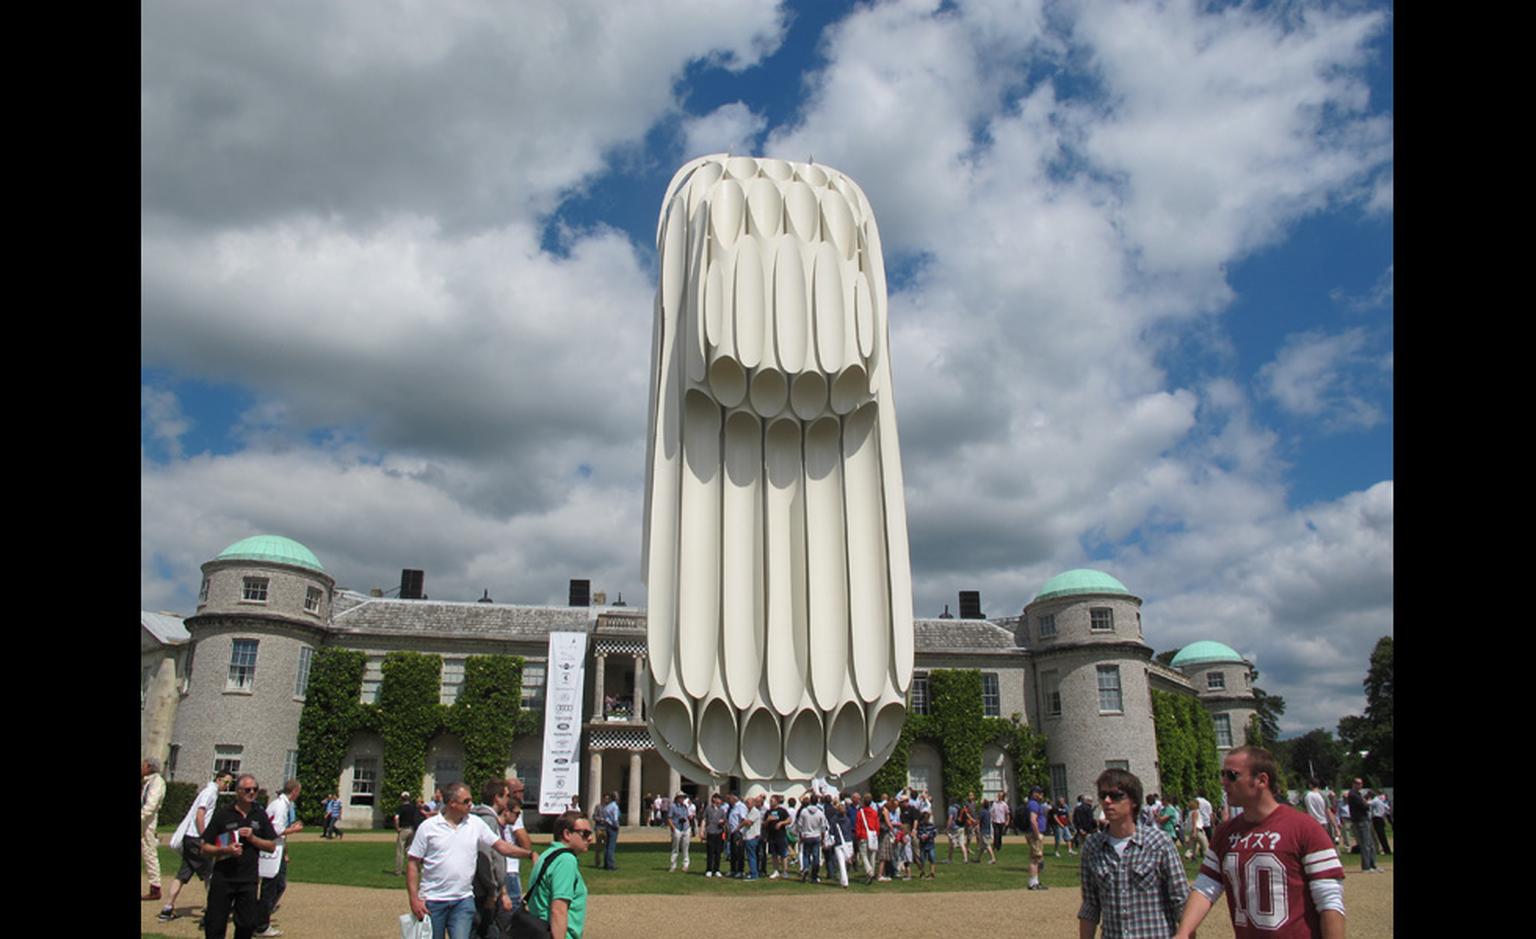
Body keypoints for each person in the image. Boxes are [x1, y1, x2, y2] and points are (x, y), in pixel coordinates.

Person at [1173, 746, 1345, 939]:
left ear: (1262, 780)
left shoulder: (1305, 828)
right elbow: (1206, 886)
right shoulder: (1225, 833)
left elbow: (1329, 901)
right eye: (1222, 774)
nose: (1223, 782)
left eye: (1231, 775)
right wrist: (1183, 932)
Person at [405, 781, 534, 939]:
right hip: (433, 900)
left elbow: (501, 846)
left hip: (462, 901)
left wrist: (528, 854)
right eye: (466, 801)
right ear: (452, 803)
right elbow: (413, 863)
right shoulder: (428, 827)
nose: (470, 804)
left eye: (470, 800)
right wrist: (414, 899)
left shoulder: (475, 824)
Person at [1078, 768, 1189, 939]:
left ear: (1134, 801)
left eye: (1115, 796)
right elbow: (1090, 906)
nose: (1107, 801)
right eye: (1103, 795)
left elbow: (1180, 900)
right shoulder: (1092, 847)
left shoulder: (1159, 843)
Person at [201, 773, 280, 939]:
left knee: (246, 925)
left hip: (248, 879)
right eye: (247, 790)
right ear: (237, 791)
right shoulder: (223, 814)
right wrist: (225, 850)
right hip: (223, 878)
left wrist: (253, 838)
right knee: (215, 924)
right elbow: (204, 847)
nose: (251, 793)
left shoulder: (260, 815)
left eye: (255, 790)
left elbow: (272, 846)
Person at [160, 770, 233, 923]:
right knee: (211, 874)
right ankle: (214, 910)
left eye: (229, 783)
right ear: (218, 780)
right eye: (226, 782)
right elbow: (200, 814)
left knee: (183, 874)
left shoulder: (210, 792)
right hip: (195, 839)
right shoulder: (210, 793)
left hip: (190, 839)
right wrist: (204, 837)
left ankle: (167, 909)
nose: (227, 786)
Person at [524, 811, 592, 939]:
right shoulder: (566, 860)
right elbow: (558, 910)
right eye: (585, 833)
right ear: (567, 834)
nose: (590, 838)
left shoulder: (546, 855)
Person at [254, 779, 303, 938]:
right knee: (272, 886)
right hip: (272, 850)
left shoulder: (280, 803)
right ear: (294, 791)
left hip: (277, 849)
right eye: (298, 791)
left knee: (278, 885)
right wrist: (294, 829)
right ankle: (261, 924)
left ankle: (261, 917)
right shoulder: (281, 805)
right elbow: (276, 830)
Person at [142, 757, 168, 901]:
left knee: (149, 852)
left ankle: (155, 888)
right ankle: (154, 887)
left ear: (149, 767)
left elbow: (151, 805)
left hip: (148, 822)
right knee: (148, 852)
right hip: (145, 820)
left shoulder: (157, 782)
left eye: (143, 765)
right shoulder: (149, 781)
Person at [1345, 778, 1378, 872]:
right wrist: (1367, 803)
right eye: (1358, 783)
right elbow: (1363, 806)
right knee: (1365, 844)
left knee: (1370, 843)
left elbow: (1365, 804)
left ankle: (1373, 865)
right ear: (1353, 784)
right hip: (1360, 820)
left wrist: (1366, 802)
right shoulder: (1352, 794)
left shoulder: (1358, 794)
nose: (1360, 785)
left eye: (1361, 783)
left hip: (1365, 819)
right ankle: (1366, 866)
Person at [795, 793, 827, 883]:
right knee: (816, 856)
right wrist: (823, 838)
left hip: (806, 836)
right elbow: (823, 827)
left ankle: (805, 868)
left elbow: (799, 825)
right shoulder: (820, 813)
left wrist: (800, 836)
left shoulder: (804, 811)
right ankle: (814, 875)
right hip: (816, 836)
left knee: (806, 855)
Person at [1025, 785, 1049, 890]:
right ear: (1034, 793)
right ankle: (1032, 883)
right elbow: (1033, 820)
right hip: (1035, 834)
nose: (1041, 795)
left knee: (1037, 858)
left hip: (1035, 833)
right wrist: (1037, 834)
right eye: (1039, 793)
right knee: (1035, 858)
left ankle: (1035, 881)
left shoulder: (1034, 804)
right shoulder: (1033, 804)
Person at [396, 791, 424, 876]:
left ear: (401, 798)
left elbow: (396, 818)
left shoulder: (401, 807)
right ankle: (417, 869)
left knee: (400, 851)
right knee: (411, 850)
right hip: (412, 829)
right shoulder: (413, 808)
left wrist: (397, 827)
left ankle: (398, 871)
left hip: (404, 829)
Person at [763, 793, 791, 879]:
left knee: (783, 854)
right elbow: (764, 824)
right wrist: (768, 820)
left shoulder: (782, 811)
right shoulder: (768, 812)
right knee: (773, 854)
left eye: (772, 801)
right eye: (770, 801)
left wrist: (781, 823)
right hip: (771, 836)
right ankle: (776, 870)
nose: (771, 802)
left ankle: (785, 871)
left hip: (781, 835)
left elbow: (789, 820)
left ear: (777, 801)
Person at [703, 792, 728, 877]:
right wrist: (702, 831)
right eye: (718, 799)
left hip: (719, 832)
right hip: (711, 832)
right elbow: (704, 819)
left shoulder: (722, 810)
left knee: (718, 852)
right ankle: (709, 869)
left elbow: (725, 820)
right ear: (714, 799)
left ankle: (717, 869)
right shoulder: (708, 809)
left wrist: (723, 822)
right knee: (710, 851)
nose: (719, 801)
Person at [667, 792, 692, 872]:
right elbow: (669, 818)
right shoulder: (673, 806)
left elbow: (686, 816)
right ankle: (673, 865)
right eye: (681, 797)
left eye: (683, 797)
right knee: (675, 848)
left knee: (685, 847)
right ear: (677, 798)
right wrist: (673, 828)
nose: (682, 799)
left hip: (685, 827)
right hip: (677, 828)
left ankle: (686, 864)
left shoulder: (685, 807)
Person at [596, 792, 621, 870]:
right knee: (611, 847)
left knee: (607, 846)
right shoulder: (614, 806)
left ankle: (606, 864)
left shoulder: (607, 807)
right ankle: (610, 865)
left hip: (607, 826)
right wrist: (617, 826)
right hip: (612, 827)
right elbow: (615, 818)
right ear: (616, 798)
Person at [1368, 791, 1392, 855]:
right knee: (1381, 836)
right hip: (1381, 818)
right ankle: (1386, 849)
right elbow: (1388, 808)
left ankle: (1385, 850)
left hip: (1377, 818)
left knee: (1380, 835)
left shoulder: (1375, 801)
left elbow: (1367, 803)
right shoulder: (1380, 801)